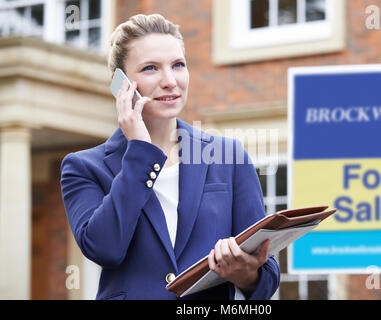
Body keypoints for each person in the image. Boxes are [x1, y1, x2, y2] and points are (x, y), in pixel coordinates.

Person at [60, 13, 280, 300]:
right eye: (151, 68)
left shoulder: (228, 157)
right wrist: (139, 152)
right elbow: (105, 249)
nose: (170, 81)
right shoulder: (83, 167)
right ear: (120, 84)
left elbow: (267, 274)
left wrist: (245, 274)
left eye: (178, 65)